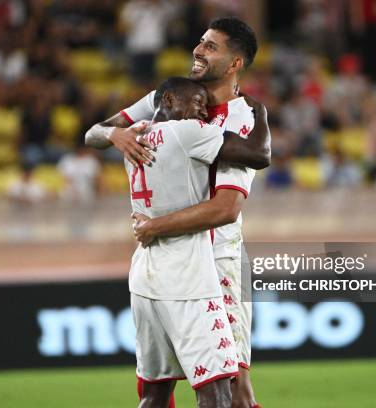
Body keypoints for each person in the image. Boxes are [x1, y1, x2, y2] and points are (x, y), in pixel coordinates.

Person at [85, 17, 268, 408]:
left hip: (218, 261)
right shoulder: (168, 98)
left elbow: (228, 207)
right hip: (173, 259)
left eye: (211, 46)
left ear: (236, 63)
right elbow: (93, 133)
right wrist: (114, 133)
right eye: (200, 42)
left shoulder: (240, 118)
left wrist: (154, 227)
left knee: (232, 390)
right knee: (176, 388)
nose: (198, 50)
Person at [122, 77, 267, 408]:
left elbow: (100, 133)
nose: (202, 114)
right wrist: (261, 115)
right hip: (188, 276)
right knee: (219, 393)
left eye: (205, 107)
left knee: (154, 394)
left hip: (145, 273)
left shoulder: (133, 139)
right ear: (170, 101)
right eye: (197, 106)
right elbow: (258, 155)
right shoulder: (187, 133)